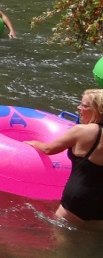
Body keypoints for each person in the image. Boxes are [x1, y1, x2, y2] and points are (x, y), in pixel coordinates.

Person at [27, 89, 103, 224]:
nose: (78, 108)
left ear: (98, 109)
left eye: (84, 106)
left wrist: (32, 143)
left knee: (63, 239)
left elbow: (48, 149)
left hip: (77, 199)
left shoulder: (82, 131)